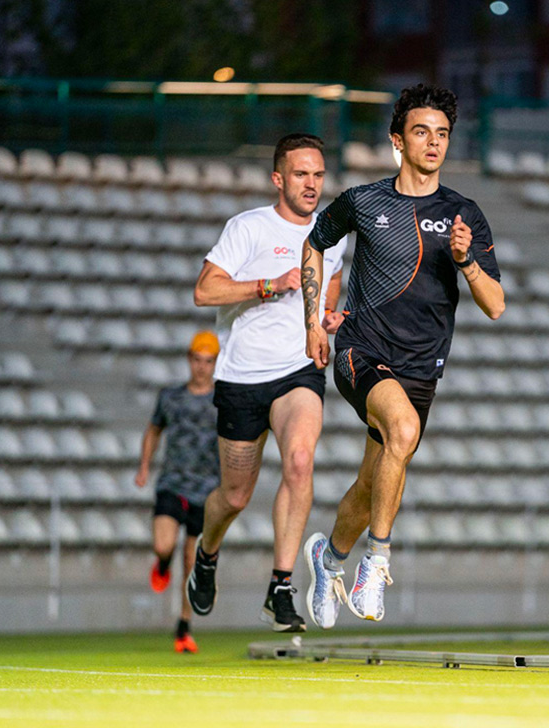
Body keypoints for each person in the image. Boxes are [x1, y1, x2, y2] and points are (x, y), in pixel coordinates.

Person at [300, 84, 505, 628]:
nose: (433, 142)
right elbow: (316, 243)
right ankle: (376, 562)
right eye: (421, 132)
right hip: (361, 351)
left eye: (442, 133)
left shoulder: (464, 213)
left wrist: (465, 260)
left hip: (421, 369)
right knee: (404, 431)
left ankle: (330, 558)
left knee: (372, 486)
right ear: (398, 140)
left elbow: (495, 305)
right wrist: (313, 320)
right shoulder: (364, 202)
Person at [187, 133, 347, 632]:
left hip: (298, 370)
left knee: (300, 461)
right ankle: (207, 552)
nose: (311, 184)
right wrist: (268, 285)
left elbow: (332, 282)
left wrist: (326, 318)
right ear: (279, 178)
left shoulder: (333, 233)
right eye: (301, 174)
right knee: (234, 497)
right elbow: (204, 290)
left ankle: (281, 586)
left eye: (318, 175)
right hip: (241, 377)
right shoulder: (249, 227)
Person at [134, 330, 221, 654]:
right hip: (172, 483)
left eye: (208, 361)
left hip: (207, 489)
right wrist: (145, 465)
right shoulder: (170, 397)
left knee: (192, 561)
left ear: (215, 363)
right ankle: (161, 564)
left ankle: (184, 626)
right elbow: (154, 429)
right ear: (189, 360)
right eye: (197, 360)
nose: (201, 367)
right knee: (163, 544)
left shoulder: (221, 399)